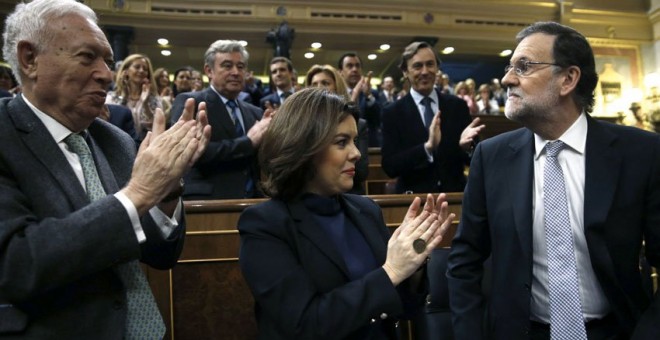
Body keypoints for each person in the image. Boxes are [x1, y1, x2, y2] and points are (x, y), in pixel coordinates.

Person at [0, 0, 211, 338]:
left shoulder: (115, 140)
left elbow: (161, 255)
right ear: (30, 59)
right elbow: (17, 265)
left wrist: (168, 188)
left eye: (109, 62)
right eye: (87, 57)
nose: (106, 74)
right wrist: (139, 193)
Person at [447, 21, 660, 339]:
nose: (507, 79)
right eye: (510, 67)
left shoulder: (641, 152)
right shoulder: (491, 157)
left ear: (568, 79)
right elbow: (465, 260)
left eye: (524, 66)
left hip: (618, 330)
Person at [238, 87, 455, 339]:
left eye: (354, 140)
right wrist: (392, 271)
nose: (357, 153)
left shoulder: (366, 210)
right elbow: (305, 324)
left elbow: (403, 309)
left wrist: (413, 263)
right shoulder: (264, 224)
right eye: (342, 142)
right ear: (304, 148)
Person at [171, 40, 271, 199]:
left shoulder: (256, 112)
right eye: (227, 65)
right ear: (209, 70)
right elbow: (191, 153)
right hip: (209, 204)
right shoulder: (191, 103)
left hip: (253, 203)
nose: (236, 72)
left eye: (240, 66)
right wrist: (248, 142)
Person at [381, 41, 484, 195]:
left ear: (437, 68)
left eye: (430, 64)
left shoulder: (457, 106)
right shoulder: (392, 112)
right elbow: (390, 166)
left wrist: (467, 148)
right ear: (405, 71)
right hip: (414, 200)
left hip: (455, 197)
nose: (425, 71)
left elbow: (476, 160)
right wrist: (426, 148)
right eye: (417, 66)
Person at [305, 64, 369, 195]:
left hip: (350, 195)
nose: (319, 88)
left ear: (336, 86)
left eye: (325, 83)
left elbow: (361, 172)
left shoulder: (358, 123)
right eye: (314, 84)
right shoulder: (303, 126)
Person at [106, 53, 164, 141]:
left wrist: (144, 103)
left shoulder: (154, 99)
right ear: (126, 71)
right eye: (137, 67)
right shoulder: (112, 97)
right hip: (117, 143)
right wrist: (124, 93)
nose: (141, 71)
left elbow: (157, 127)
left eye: (145, 69)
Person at [338, 52, 383, 146]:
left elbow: (380, 119)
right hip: (343, 146)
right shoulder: (336, 94)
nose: (354, 69)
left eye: (357, 66)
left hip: (369, 147)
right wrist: (354, 95)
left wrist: (368, 96)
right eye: (349, 66)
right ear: (340, 72)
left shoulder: (372, 93)